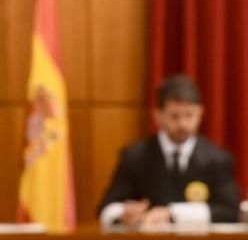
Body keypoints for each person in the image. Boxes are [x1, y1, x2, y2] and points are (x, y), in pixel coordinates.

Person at [97, 75, 240, 227]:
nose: (182, 124)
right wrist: (124, 214)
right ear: (157, 116)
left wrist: (172, 214)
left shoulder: (217, 159)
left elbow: (230, 211)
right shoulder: (135, 157)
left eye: (189, 115)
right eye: (174, 116)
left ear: (200, 113)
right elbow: (106, 209)